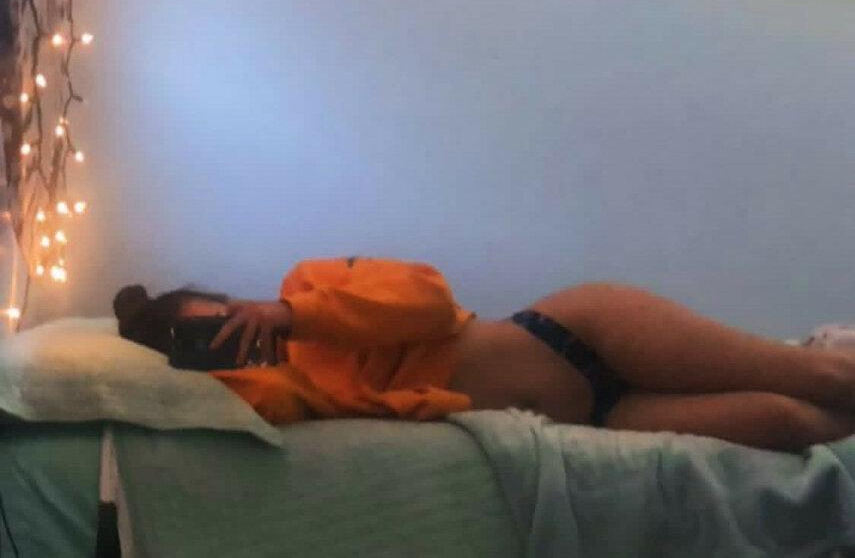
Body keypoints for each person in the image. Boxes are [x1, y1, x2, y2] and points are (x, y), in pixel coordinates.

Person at [113, 256, 855, 452]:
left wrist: (293, 314)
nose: (232, 334)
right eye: (209, 341)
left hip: (577, 331)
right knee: (787, 422)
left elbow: (428, 300)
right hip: (599, 416)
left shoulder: (310, 284)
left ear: (230, 298)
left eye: (222, 318)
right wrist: (230, 376)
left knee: (818, 373)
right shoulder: (287, 391)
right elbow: (271, 405)